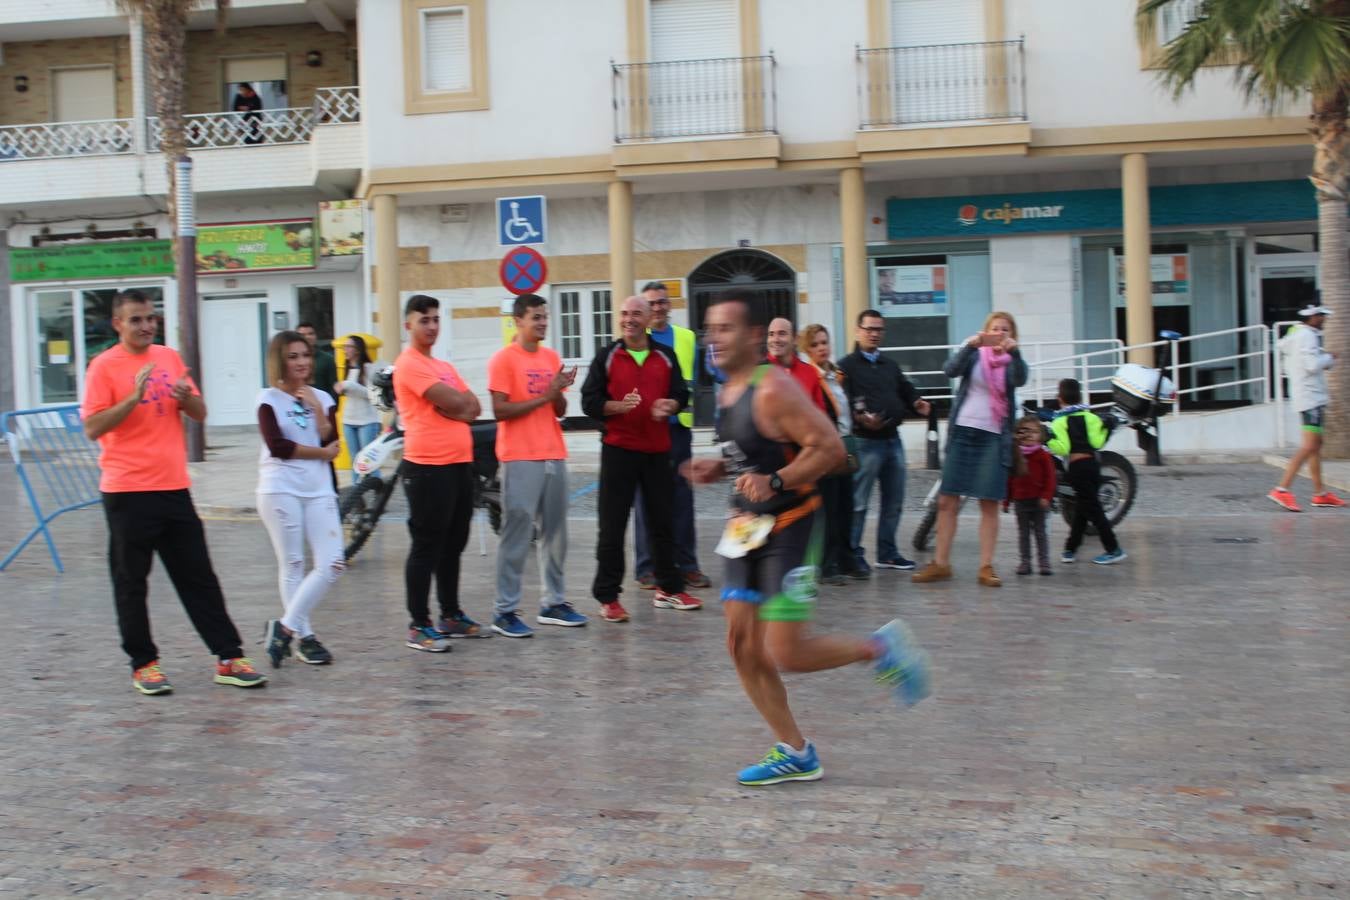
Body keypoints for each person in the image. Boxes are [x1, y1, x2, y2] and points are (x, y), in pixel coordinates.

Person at [685, 290, 930, 786]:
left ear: (755, 337)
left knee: (786, 653)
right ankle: (795, 752)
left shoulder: (774, 387)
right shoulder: (727, 389)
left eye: (725, 328)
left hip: (792, 525)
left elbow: (832, 450)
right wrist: (722, 466)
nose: (714, 337)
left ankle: (879, 649)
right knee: (739, 645)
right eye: (710, 328)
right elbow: (753, 451)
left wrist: (777, 481)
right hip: (745, 528)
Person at [81, 289, 265, 695]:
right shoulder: (103, 368)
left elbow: (200, 413)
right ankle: (144, 664)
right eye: (136, 320)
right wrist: (132, 399)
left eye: (150, 318)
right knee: (132, 583)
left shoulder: (167, 358)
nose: (146, 326)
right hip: (127, 491)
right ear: (118, 324)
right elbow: (93, 427)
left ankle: (229, 656)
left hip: (174, 488)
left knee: (199, 577)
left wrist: (187, 400)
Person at [581, 295, 704, 622]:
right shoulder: (607, 356)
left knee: (662, 522)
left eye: (636, 313)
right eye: (623, 314)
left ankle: (669, 589)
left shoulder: (665, 356)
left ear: (649, 318)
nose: (629, 319)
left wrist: (671, 406)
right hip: (618, 450)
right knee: (612, 525)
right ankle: (608, 597)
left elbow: (682, 393)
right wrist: (614, 407)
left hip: (656, 451)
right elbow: (589, 401)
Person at [487, 293, 589, 637]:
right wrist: (547, 394)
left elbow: (558, 410)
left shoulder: (550, 356)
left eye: (545, 317)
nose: (543, 322)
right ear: (518, 321)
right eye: (536, 317)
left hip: (553, 453)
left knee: (556, 534)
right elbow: (500, 410)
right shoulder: (503, 360)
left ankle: (553, 603)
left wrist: (558, 390)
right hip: (519, 455)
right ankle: (504, 611)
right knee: (516, 533)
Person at [394, 294, 489, 651]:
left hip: (458, 463)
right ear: (409, 325)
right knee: (426, 546)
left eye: (435, 319)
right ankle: (419, 624)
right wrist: (455, 407)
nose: (432, 326)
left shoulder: (444, 366)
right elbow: (456, 403)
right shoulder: (410, 364)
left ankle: (451, 614)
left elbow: (473, 407)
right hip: (427, 466)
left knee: (453, 545)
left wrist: (457, 408)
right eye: (424, 320)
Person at [913, 312, 1029, 587]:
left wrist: (1016, 353)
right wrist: (972, 345)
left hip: (993, 436)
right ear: (985, 330)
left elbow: (1020, 379)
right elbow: (950, 369)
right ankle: (941, 564)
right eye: (995, 328)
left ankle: (986, 566)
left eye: (1005, 330)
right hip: (963, 431)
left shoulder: (1012, 360)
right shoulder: (975, 353)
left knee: (988, 502)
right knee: (946, 500)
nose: (999, 333)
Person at [256, 331, 343, 668]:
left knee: (332, 563)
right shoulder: (268, 399)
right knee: (292, 563)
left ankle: (285, 628)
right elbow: (278, 446)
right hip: (280, 488)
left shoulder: (322, 397)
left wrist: (319, 411)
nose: (302, 362)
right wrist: (320, 452)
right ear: (280, 361)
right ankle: (305, 638)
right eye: (293, 357)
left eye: (305, 355)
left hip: (319, 489)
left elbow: (333, 442)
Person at [838, 309, 932, 574]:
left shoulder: (889, 365)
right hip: (865, 442)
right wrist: (860, 419)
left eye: (879, 329)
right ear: (858, 331)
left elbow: (905, 388)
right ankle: (852, 553)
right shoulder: (846, 366)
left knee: (894, 501)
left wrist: (917, 402)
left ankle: (887, 553)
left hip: (892, 440)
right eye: (869, 329)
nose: (874, 334)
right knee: (858, 503)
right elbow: (842, 401)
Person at [632, 281, 710, 590]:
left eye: (663, 302)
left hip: (679, 431)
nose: (659, 308)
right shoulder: (636, 340)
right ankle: (646, 567)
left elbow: (699, 376)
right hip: (648, 431)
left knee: (682, 499)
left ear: (670, 305)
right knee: (646, 501)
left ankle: (687, 565)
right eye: (652, 303)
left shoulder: (687, 338)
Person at [799, 324, 860, 585]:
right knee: (828, 507)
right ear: (806, 349)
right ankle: (825, 563)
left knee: (846, 505)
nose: (822, 348)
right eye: (815, 344)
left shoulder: (836, 375)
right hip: (823, 448)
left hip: (844, 444)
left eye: (824, 342)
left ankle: (846, 558)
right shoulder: (808, 377)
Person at [1269, 303, 1344, 511]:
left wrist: (1324, 360)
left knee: (1316, 445)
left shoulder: (1296, 333)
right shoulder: (1308, 336)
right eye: (1321, 316)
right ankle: (1281, 489)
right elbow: (1311, 365)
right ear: (1312, 317)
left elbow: (1301, 362)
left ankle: (1320, 494)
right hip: (1311, 397)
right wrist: (1329, 358)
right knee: (1310, 446)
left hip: (1306, 396)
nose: (1324, 320)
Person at [1047, 378, 1127, 566]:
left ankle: (1113, 549)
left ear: (1060, 399)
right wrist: (1106, 429)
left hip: (1077, 468)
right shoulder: (1091, 417)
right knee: (1082, 508)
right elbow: (1097, 443)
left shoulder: (1060, 421)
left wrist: (1047, 438)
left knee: (1093, 510)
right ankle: (1070, 549)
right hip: (1092, 465)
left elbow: (1063, 448)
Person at [1005, 414, 1056, 577]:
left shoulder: (1043, 456)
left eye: (1033, 432)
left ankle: (1044, 562)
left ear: (1040, 435)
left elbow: (1050, 478)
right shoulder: (1016, 456)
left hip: (1039, 501)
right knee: (1023, 534)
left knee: (1040, 532)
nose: (1029, 436)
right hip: (1020, 501)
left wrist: (1046, 496)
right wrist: (1006, 501)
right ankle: (1025, 561)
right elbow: (1010, 479)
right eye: (1024, 432)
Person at [334, 334, 380, 483]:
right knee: (354, 460)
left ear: (358, 350)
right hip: (349, 420)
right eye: (344, 347)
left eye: (349, 347)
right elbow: (350, 393)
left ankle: (378, 492)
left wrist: (349, 385)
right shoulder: (348, 369)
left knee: (367, 460)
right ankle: (356, 497)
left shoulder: (369, 368)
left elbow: (372, 394)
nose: (345, 350)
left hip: (367, 421)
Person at [297, 322, 338, 398]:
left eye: (310, 334)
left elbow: (334, 389)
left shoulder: (327, 359)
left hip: (321, 405)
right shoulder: (291, 360)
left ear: (315, 336)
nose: (307, 337)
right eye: (302, 335)